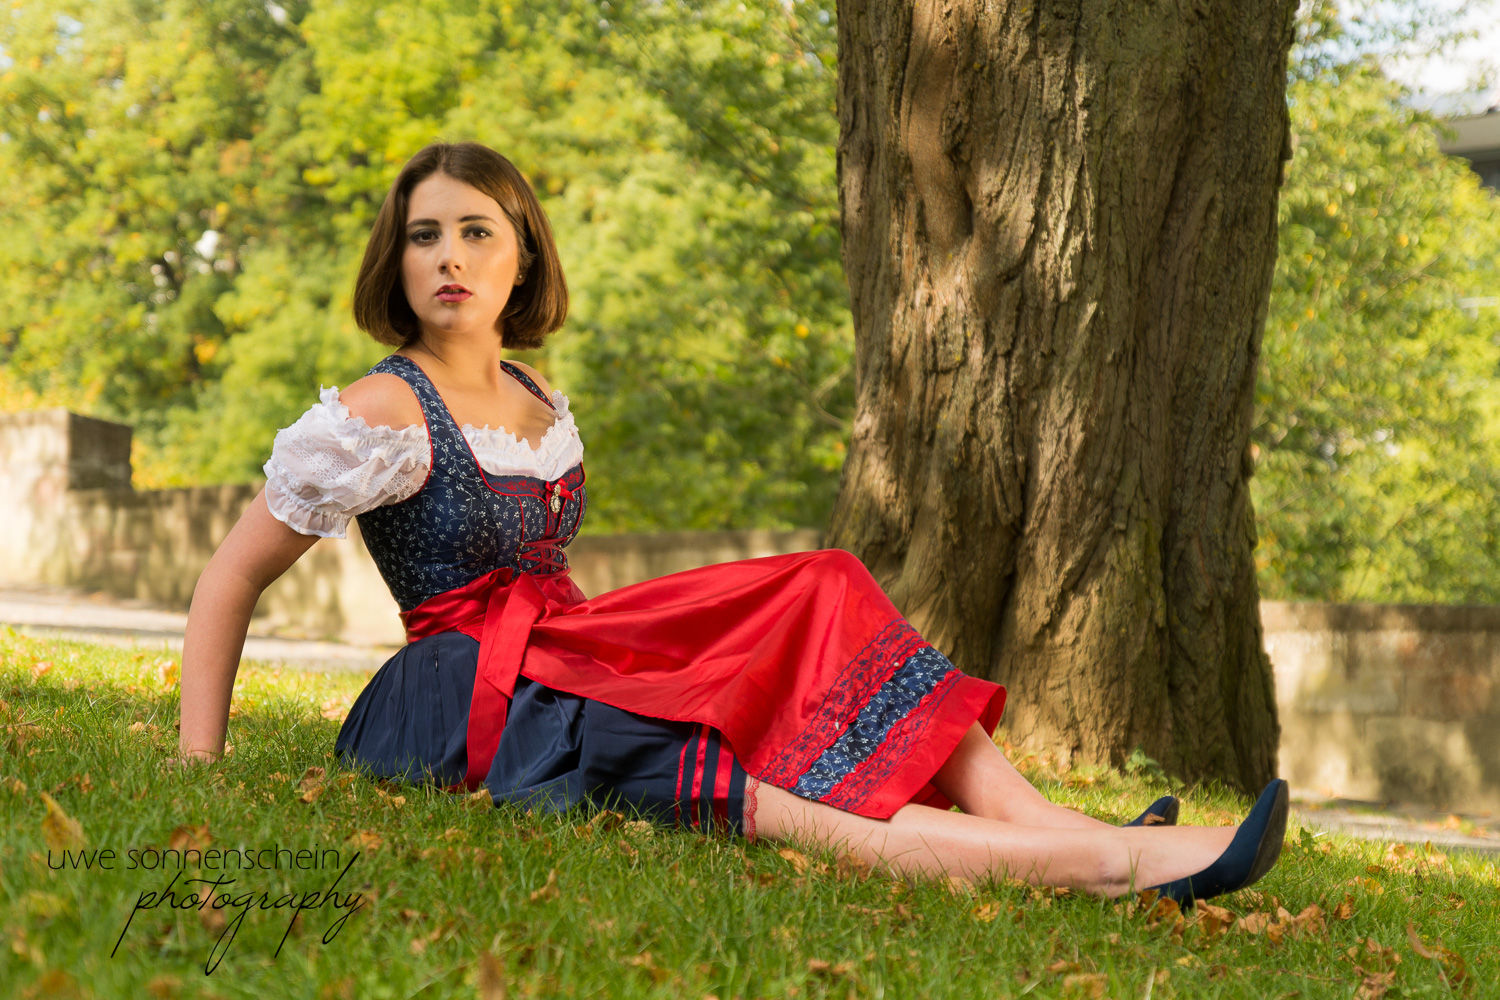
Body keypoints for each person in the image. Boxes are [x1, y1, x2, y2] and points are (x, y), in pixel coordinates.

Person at [177, 140, 1287, 904]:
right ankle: (1103, 867)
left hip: (562, 647)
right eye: (425, 236)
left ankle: (1057, 825)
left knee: (825, 582)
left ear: (523, 257)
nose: (449, 257)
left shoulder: (536, 397)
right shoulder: (377, 410)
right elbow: (231, 578)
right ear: (399, 260)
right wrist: (201, 768)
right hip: (459, 694)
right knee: (716, 769)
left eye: (476, 231)